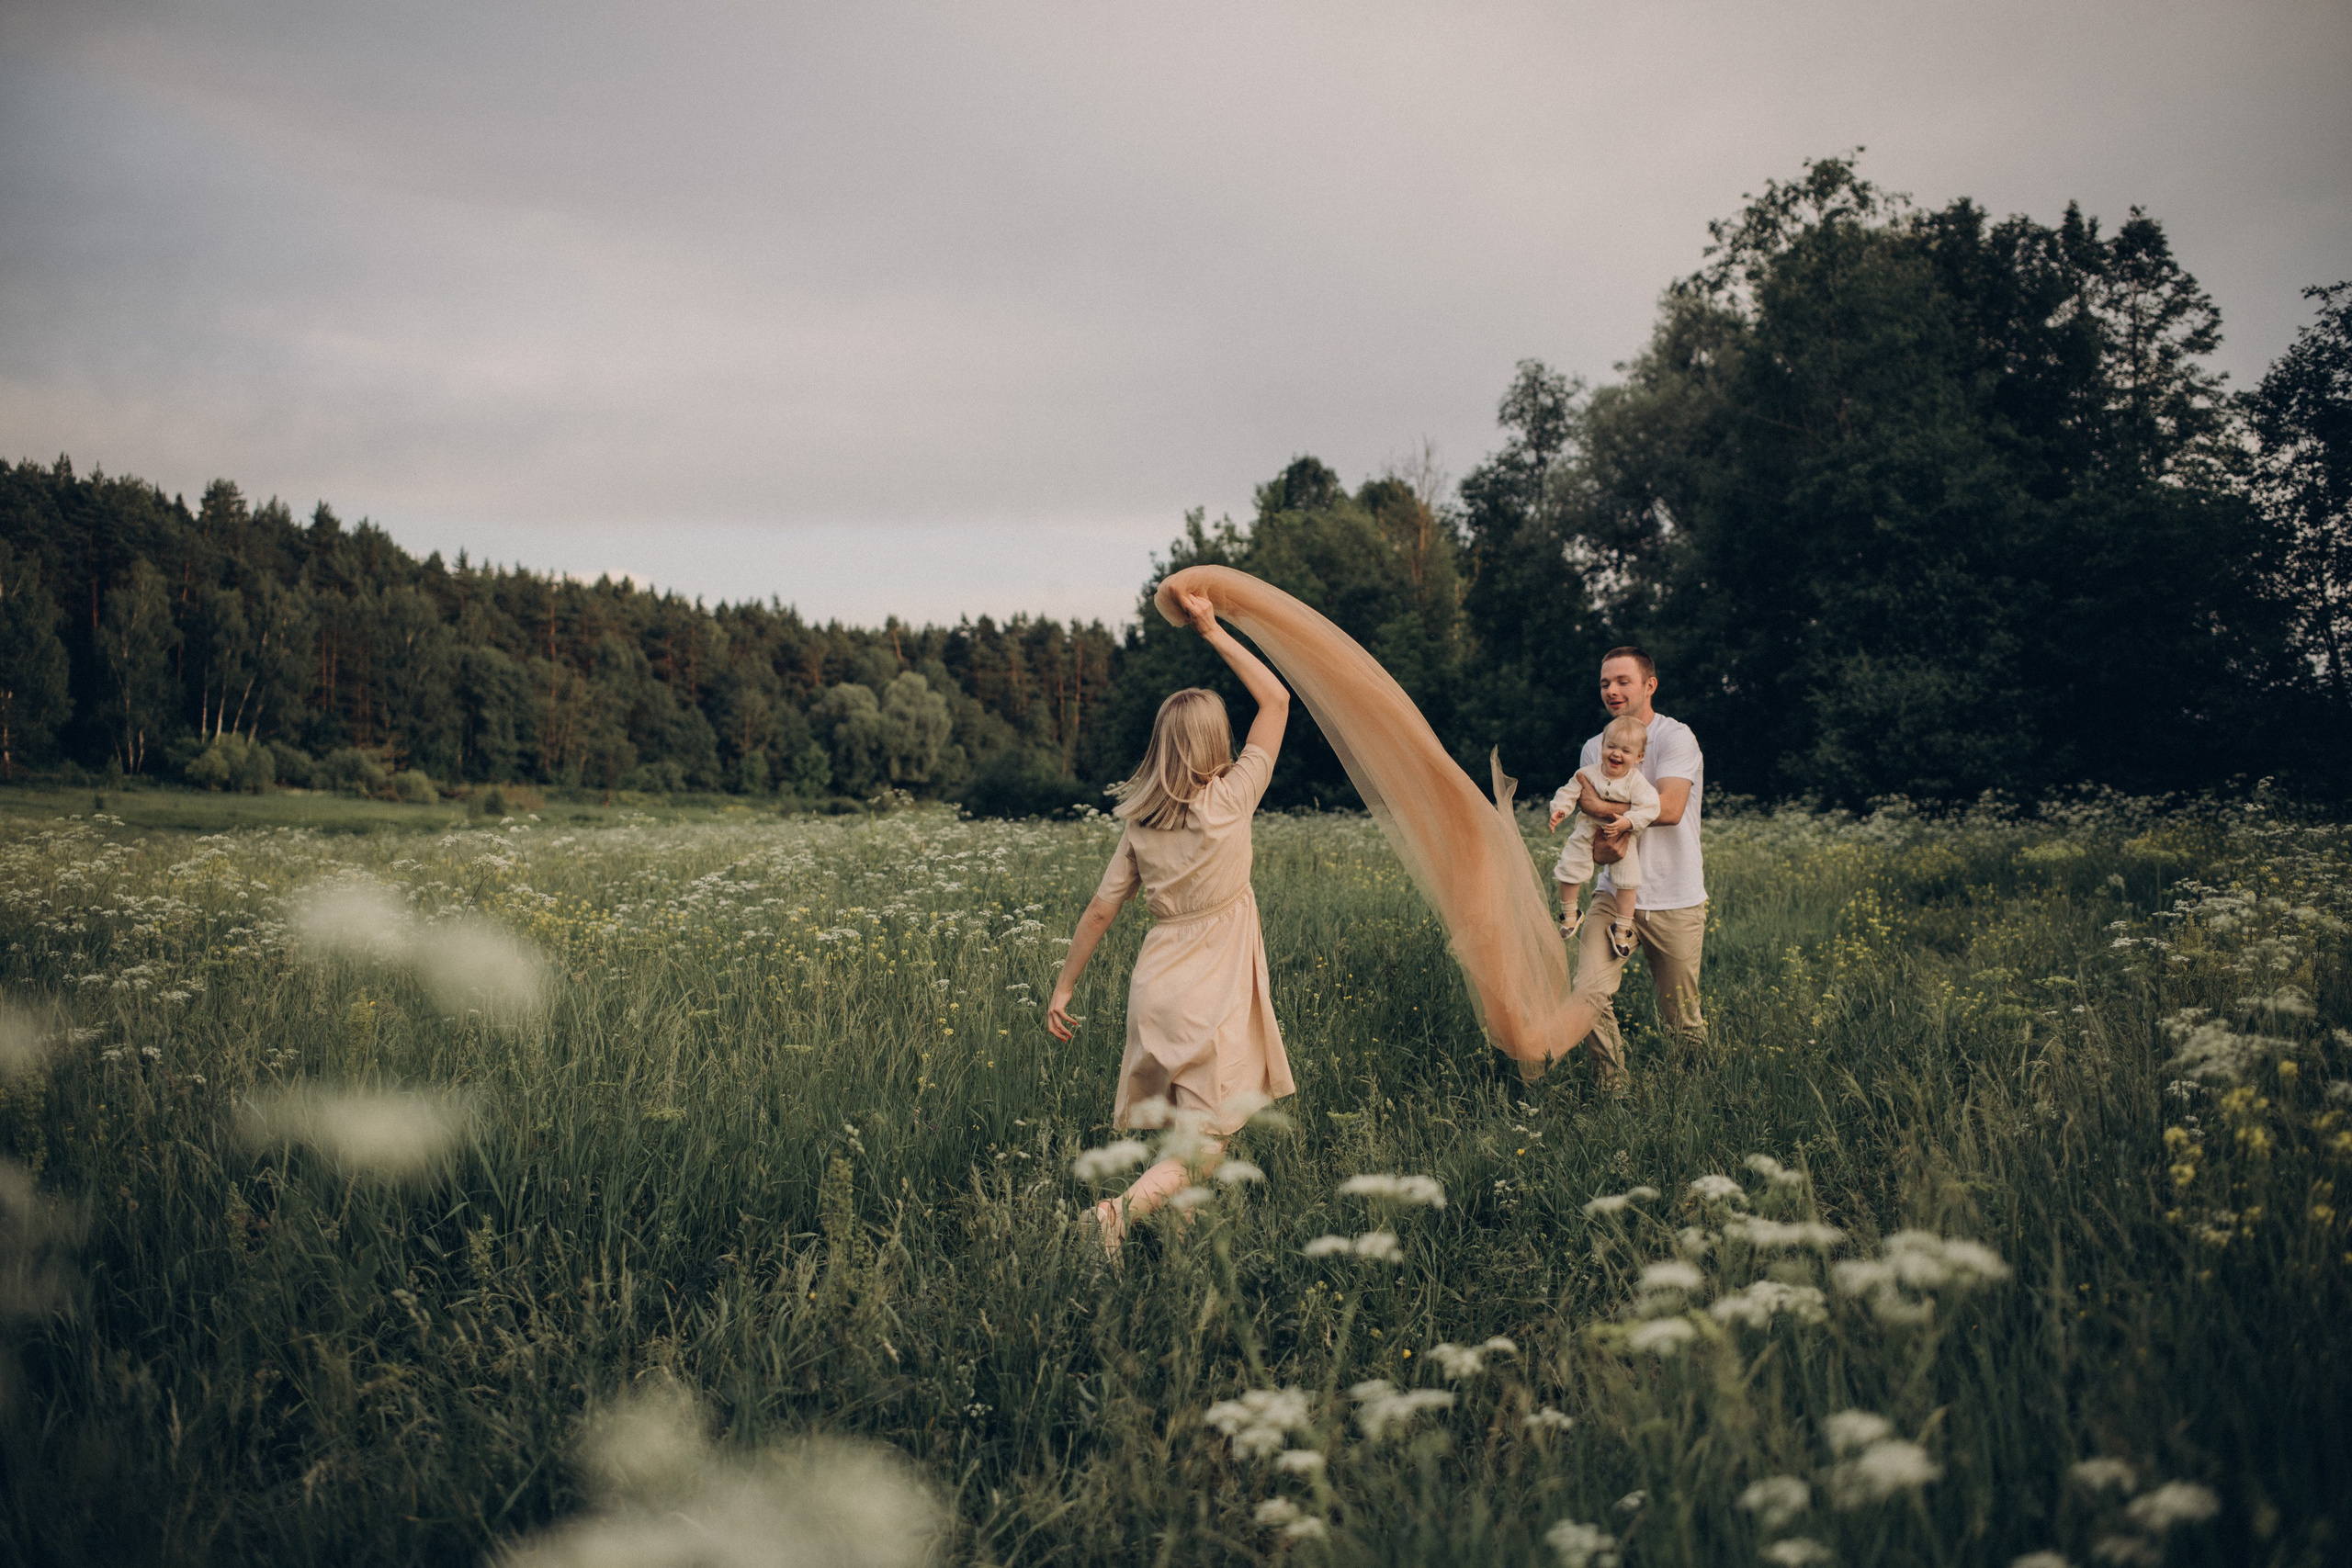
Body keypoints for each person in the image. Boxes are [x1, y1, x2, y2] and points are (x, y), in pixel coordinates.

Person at [1046, 588, 1295, 1250]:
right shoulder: (1233, 798)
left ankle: (1176, 1260)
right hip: (1210, 994)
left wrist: (1064, 987)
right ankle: (1114, 1217)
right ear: (1216, 742)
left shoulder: (1141, 822)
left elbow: (1102, 908)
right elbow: (1276, 699)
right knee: (1206, 1146)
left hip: (1158, 987)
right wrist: (1212, 629)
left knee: (1191, 1138)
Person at [1562, 646, 1706, 1086]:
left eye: (1623, 681)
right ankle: (1614, 1091)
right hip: (1614, 894)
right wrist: (1603, 814)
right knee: (1587, 993)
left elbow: (1671, 807)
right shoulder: (1595, 747)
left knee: (1681, 1018)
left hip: (1676, 899)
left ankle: (1697, 1096)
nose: (1612, 690)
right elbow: (1600, 847)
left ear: (1649, 685)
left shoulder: (1675, 737)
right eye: (1605, 682)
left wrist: (1601, 804)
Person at [1548, 714, 1660, 958]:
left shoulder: (1637, 782)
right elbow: (1568, 793)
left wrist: (1629, 821)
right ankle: (1570, 914)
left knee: (1628, 880)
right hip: (1588, 827)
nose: (1616, 754)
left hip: (1621, 832)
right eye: (1611, 746)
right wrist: (1559, 810)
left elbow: (1652, 808)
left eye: (1625, 750)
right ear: (1602, 747)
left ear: (1639, 757)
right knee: (1570, 866)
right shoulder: (1587, 774)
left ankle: (1622, 928)